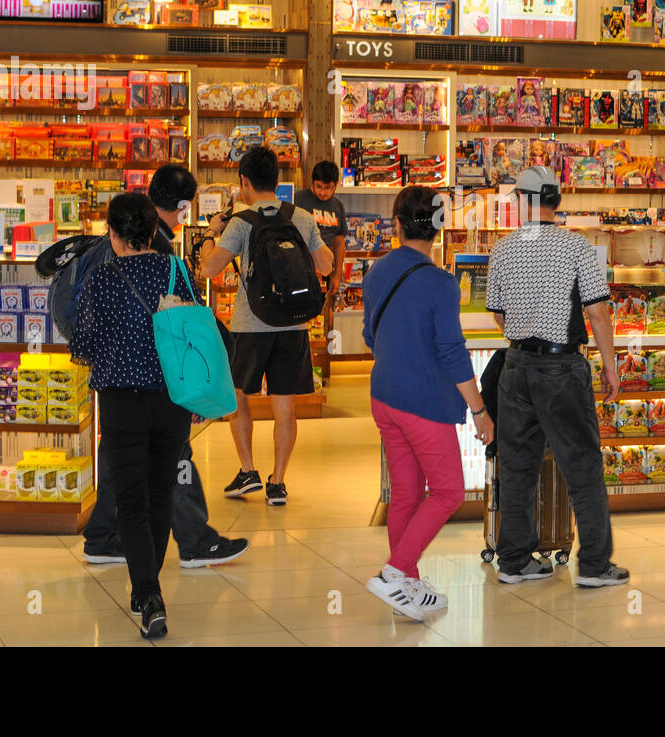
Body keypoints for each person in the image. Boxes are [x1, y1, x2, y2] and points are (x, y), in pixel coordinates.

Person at [81, 165, 249, 569]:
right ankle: (192, 541)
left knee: (122, 455)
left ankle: (105, 536)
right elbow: (189, 320)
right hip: (162, 379)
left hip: (118, 385)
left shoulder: (112, 254)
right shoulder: (162, 256)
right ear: (181, 207)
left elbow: (88, 337)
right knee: (173, 459)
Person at [485, 166, 629, 588]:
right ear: (556, 201)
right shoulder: (577, 247)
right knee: (581, 465)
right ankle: (596, 566)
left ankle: (514, 560)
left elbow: (498, 314)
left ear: (522, 202)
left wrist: (523, 326)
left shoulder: (504, 248)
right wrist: (610, 365)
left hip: (516, 367)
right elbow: (598, 312)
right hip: (562, 368)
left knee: (517, 467)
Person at [70, 193, 201, 639]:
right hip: (173, 398)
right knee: (160, 492)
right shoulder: (176, 271)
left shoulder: (102, 278)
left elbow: (83, 345)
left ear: (113, 234)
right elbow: (194, 332)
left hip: (122, 402)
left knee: (129, 498)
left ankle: (148, 592)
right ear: (152, 231)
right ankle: (149, 585)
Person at [361, 186, 493, 620]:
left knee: (405, 494)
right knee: (450, 490)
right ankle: (396, 572)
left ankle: (408, 584)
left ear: (396, 225)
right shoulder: (441, 283)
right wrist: (479, 410)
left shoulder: (377, 271)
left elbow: (368, 335)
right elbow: (453, 352)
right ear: (439, 227)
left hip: (384, 396)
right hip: (423, 405)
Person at [197, 146, 332, 505]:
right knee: (284, 407)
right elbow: (326, 265)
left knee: (238, 398)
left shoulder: (241, 222)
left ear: (244, 181)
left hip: (250, 325)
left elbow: (209, 268)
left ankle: (248, 471)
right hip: (294, 326)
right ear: (277, 179)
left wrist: (211, 234)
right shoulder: (302, 216)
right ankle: (278, 482)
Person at [294, 160, 349, 347]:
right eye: (319, 187)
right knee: (298, 318)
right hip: (299, 271)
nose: (323, 192)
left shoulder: (338, 206)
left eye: (328, 188)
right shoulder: (299, 199)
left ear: (335, 186)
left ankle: (317, 364)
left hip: (325, 272)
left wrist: (337, 275)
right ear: (312, 183)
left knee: (318, 321)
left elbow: (339, 243)